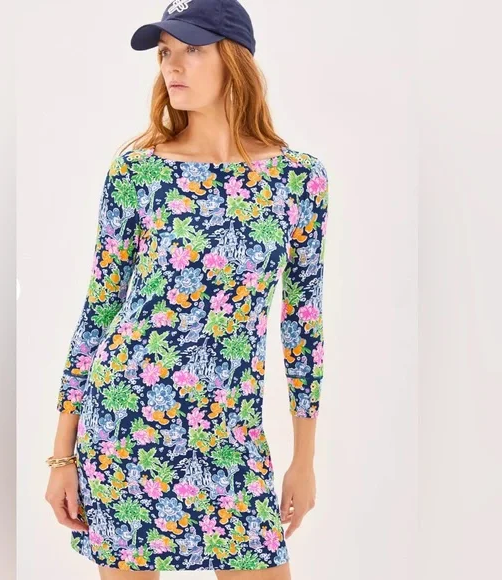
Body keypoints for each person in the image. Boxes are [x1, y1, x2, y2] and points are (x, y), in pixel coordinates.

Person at [44, 1, 329, 578]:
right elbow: (100, 309)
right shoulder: (137, 172)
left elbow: (304, 322)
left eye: (192, 50)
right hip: (126, 426)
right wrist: (61, 455)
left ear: (235, 59)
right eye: (165, 52)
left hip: (232, 437)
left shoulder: (298, 179)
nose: (173, 66)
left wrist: (304, 459)